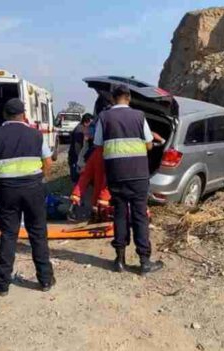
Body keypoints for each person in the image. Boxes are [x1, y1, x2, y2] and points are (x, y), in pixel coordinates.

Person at [0, 98, 55, 296]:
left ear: (5, 115)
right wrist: (40, 180)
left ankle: (2, 283)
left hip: (8, 191)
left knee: (9, 235)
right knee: (38, 234)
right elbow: (48, 162)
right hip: (33, 189)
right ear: (24, 115)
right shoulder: (36, 135)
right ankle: (45, 279)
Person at [94, 85, 164, 275]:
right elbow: (149, 145)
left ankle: (119, 260)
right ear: (129, 98)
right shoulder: (139, 116)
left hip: (116, 174)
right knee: (140, 215)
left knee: (120, 214)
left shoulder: (103, 117)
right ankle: (144, 262)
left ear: (113, 99)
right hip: (138, 175)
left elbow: (98, 145)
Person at [68, 114, 92, 183]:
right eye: (90, 123)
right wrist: (81, 161)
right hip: (75, 158)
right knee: (76, 179)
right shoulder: (80, 130)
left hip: (74, 158)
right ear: (86, 122)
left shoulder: (80, 128)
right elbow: (77, 147)